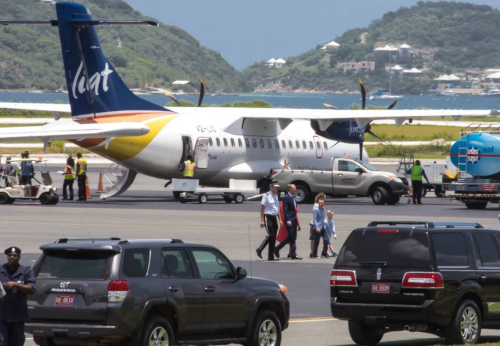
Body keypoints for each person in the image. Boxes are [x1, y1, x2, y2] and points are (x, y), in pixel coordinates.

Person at [0, 247, 36, 346]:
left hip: (18, 315)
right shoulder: (0, 270)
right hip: (2, 315)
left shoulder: (25, 271)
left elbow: (31, 289)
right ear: (7, 257)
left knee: (17, 342)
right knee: (2, 342)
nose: (12, 257)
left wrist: (16, 284)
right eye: (10, 255)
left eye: (15, 255)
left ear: (19, 257)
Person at [274, 184, 302, 260]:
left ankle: (293, 254)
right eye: (294, 188)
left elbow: (294, 211)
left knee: (293, 238)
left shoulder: (293, 198)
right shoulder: (286, 198)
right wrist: (287, 220)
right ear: (290, 189)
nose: (296, 189)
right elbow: (285, 210)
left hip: (294, 220)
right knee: (290, 236)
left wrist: (297, 223)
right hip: (290, 220)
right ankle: (277, 248)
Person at [256, 182, 282, 261]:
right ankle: (259, 249)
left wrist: (280, 219)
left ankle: (270, 256)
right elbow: (262, 208)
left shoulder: (276, 196)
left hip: (274, 218)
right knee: (270, 235)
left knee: (273, 237)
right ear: (271, 187)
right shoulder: (266, 195)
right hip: (268, 217)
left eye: (278, 187)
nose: (277, 189)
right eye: (276, 187)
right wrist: (262, 220)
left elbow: (277, 209)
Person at [309, 193, 326, 258]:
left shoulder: (323, 206)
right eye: (324, 197)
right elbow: (315, 216)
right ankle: (312, 252)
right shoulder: (316, 206)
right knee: (313, 239)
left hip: (321, 224)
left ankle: (320, 252)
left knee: (320, 239)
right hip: (314, 224)